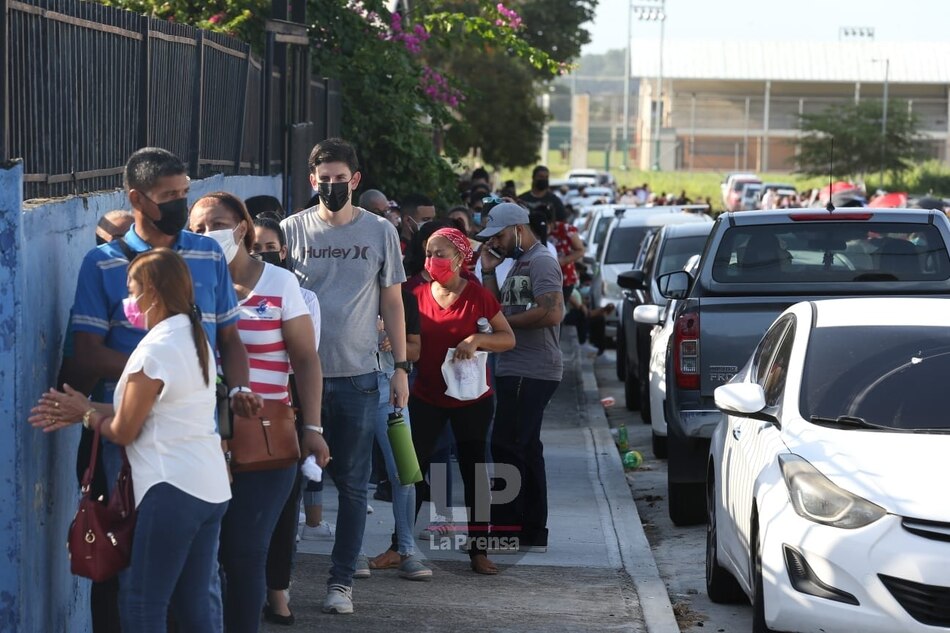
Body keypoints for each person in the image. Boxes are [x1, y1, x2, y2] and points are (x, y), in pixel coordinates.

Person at [69, 147, 257, 632]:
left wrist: (233, 390)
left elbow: (230, 341)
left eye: (184, 193)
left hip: (194, 434)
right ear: (137, 198)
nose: (179, 204)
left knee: (178, 588)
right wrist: (163, 378)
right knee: (121, 562)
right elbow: (86, 353)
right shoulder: (103, 263)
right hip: (129, 440)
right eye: (168, 196)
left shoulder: (208, 255)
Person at [33, 248, 238, 632]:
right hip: (209, 489)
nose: (128, 302)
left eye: (132, 291)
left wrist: (88, 416)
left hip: (171, 489)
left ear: (153, 293)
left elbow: (125, 431)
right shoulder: (192, 338)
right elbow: (153, 411)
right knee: (196, 606)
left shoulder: (155, 350)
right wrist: (83, 407)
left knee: (142, 603)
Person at [189, 193, 330, 632]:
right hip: (198, 436)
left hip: (266, 437)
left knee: (245, 552)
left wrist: (312, 427)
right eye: (196, 228)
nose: (205, 234)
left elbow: (306, 360)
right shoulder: (186, 284)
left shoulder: (280, 284)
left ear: (241, 227)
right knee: (201, 555)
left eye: (215, 224)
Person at [280, 138, 409, 615]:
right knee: (288, 486)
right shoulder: (292, 231)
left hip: (359, 376)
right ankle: (281, 580)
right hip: (295, 380)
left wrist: (399, 367)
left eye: (340, 179)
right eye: (323, 180)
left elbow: (392, 302)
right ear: (312, 181)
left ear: (355, 180)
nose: (331, 187)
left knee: (354, 486)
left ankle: (341, 584)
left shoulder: (380, 232)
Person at [408, 228, 515, 575]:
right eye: (428, 252)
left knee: (475, 472)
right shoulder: (415, 293)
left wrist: (477, 339)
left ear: (459, 258)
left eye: (440, 253)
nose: (432, 260)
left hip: (471, 398)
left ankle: (478, 550)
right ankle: (400, 545)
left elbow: (507, 338)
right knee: (411, 471)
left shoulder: (479, 297)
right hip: (426, 395)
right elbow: (405, 340)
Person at [250, 216, 333, 624]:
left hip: (284, 409)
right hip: (234, 413)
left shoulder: (301, 296)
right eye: (255, 246)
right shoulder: (221, 290)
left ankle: (277, 591)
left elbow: (302, 358)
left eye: (270, 246)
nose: (263, 253)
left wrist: (311, 428)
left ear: (283, 251)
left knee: (283, 509)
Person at [476, 202, 564, 554]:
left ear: (517, 228)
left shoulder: (541, 261)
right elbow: (497, 310)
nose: (495, 242)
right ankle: (528, 529)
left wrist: (504, 326)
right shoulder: (519, 264)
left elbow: (551, 311)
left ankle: (511, 528)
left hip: (532, 368)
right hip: (516, 367)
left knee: (508, 446)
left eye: (498, 235)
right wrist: (487, 272)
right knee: (523, 447)